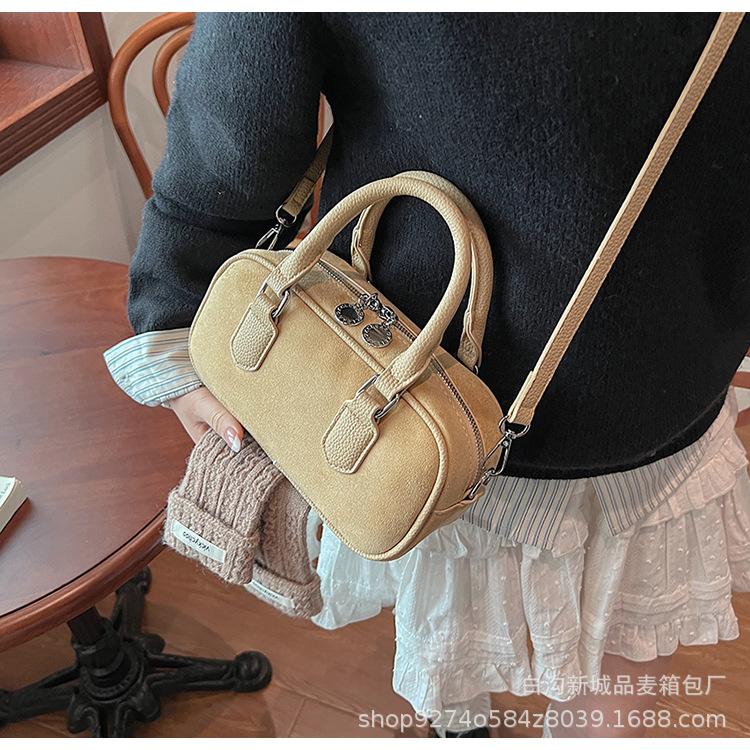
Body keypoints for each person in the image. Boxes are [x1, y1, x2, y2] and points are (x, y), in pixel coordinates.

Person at [104, 12, 750, 738]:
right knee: (614, 662)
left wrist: (175, 306)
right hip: (657, 367)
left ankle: (456, 722)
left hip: (401, 374)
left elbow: (236, 122)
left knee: (442, 609)